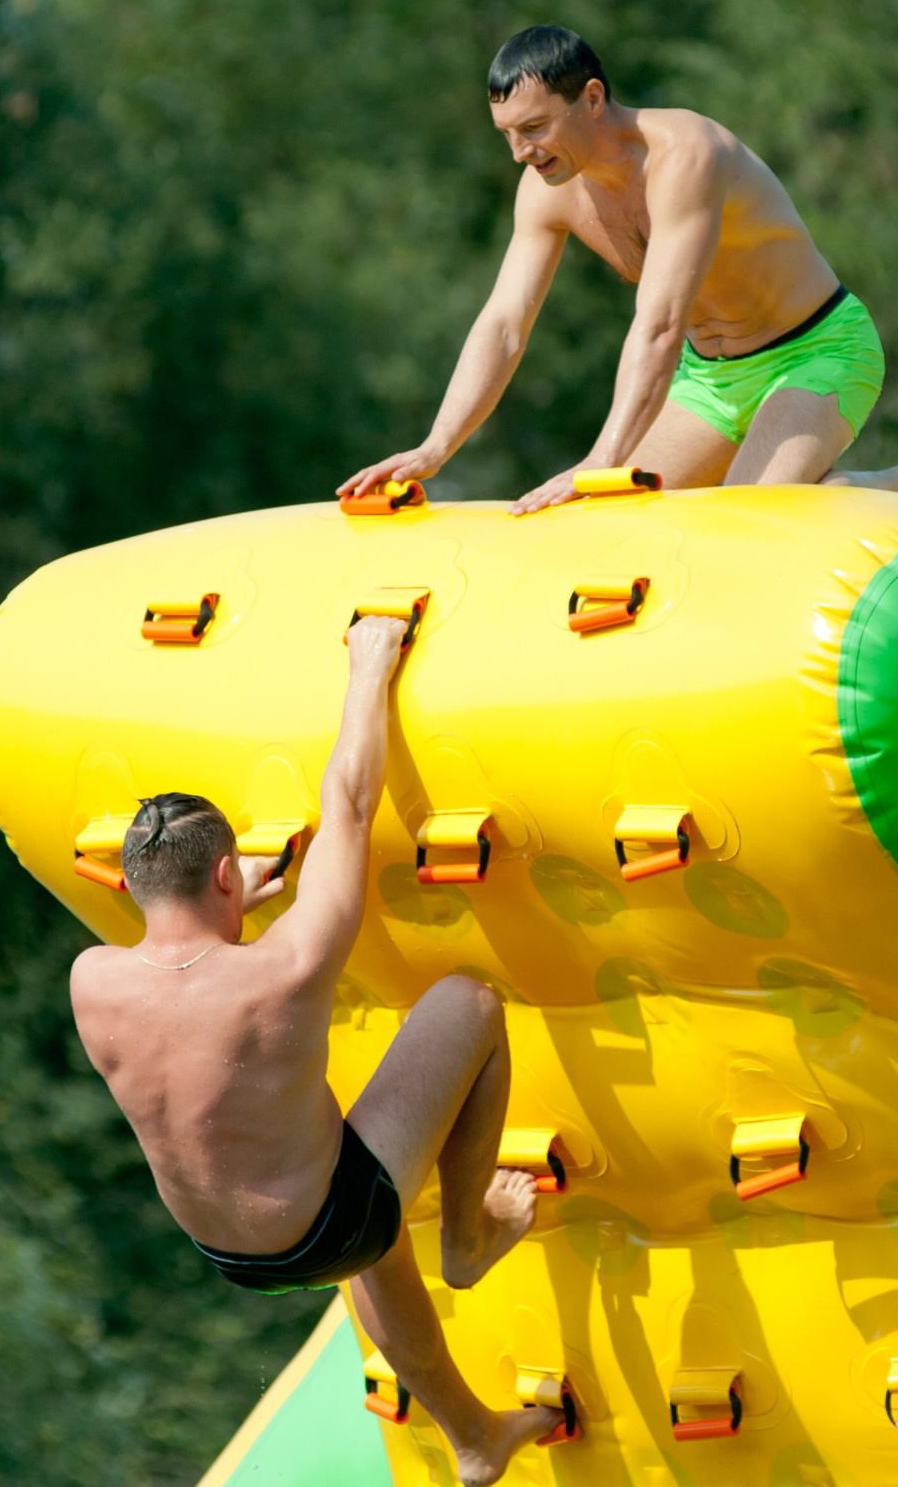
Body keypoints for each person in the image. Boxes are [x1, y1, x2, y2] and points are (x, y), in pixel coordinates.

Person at [69, 616, 561, 1486]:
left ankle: (474, 1438)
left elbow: (188, 995)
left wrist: (229, 919)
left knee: (350, 1198)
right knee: (470, 1004)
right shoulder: (285, 966)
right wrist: (369, 668)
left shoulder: (91, 982)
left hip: (227, 1252)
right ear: (228, 876)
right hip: (330, 1222)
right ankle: (468, 1236)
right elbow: (351, 804)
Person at [339, 24, 898, 515]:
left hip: (815, 352)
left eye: (535, 128)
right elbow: (503, 324)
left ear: (592, 98)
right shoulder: (545, 190)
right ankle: (825, 492)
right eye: (508, 135)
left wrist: (602, 459)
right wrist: (436, 448)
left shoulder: (685, 155)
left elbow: (659, 326)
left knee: (745, 519)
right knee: (618, 518)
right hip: (710, 380)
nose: (521, 153)